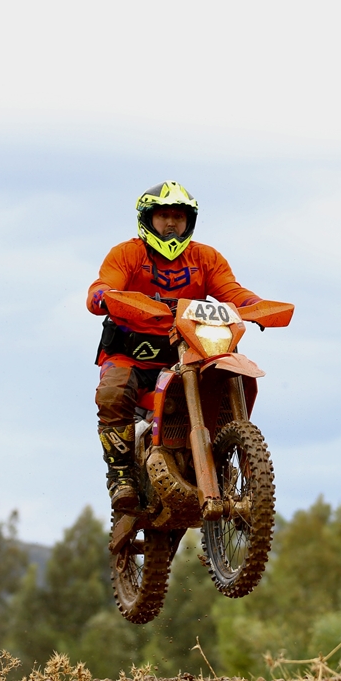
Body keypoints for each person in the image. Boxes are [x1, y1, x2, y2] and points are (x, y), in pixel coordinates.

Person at [86, 181, 262, 512]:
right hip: (131, 354)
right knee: (113, 390)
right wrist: (104, 296)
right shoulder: (127, 254)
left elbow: (232, 291)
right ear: (148, 219)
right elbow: (104, 285)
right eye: (163, 216)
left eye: (178, 217)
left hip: (189, 353)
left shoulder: (206, 258)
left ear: (188, 222)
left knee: (228, 370)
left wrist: (254, 305)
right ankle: (121, 476)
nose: (171, 224)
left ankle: (228, 458)